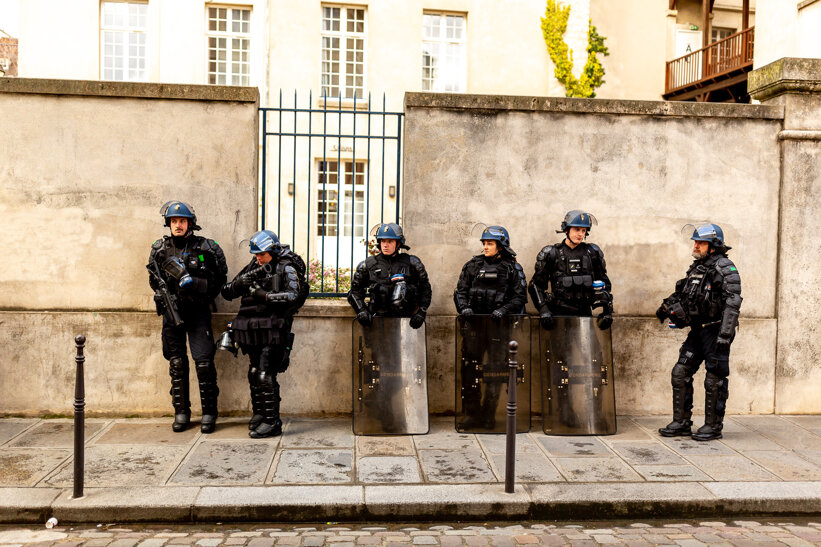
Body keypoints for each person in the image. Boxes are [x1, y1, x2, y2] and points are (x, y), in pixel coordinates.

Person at [656, 223, 742, 441]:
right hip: (697, 331)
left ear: (713, 245)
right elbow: (684, 294)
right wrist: (666, 308)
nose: (696, 246)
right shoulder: (697, 267)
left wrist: (725, 334)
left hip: (716, 332)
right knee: (680, 372)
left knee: (714, 380)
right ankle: (682, 422)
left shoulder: (726, 268)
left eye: (700, 242)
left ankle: (713, 427)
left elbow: (733, 302)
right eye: (695, 242)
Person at [147, 201, 227, 433]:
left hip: (198, 312)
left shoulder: (206, 248)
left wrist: (196, 285)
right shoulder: (159, 249)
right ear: (169, 224)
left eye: (182, 221)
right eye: (174, 221)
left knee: (203, 363)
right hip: (172, 312)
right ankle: (182, 412)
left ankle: (209, 413)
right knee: (177, 363)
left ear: (190, 223)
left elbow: (219, 279)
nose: (178, 225)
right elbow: (154, 279)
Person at [221, 230, 306, 438]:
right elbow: (227, 291)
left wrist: (265, 296)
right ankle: (260, 414)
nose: (258, 258)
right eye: (256, 254)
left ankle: (272, 421)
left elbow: (294, 295)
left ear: (273, 251)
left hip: (275, 328)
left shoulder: (286, 266)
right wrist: (240, 283)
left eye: (262, 254)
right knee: (254, 371)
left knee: (265, 373)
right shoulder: (254, 265)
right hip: (253, 329)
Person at [453, 225, 527, 430]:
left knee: (495, 371)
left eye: (490, 243)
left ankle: (488, 415)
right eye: (484, 243)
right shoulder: (472, 265)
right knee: (470, 370)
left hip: (499, 328)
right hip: (474, 327)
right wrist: (464, 308)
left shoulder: (512, 268)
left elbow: (520, 296)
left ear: (501, 246)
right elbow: (460, 291)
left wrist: (504, 310)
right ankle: (471, 414)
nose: (485, 247)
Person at [528, 210, 613, 330]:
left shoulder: (592, 253)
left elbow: (604, 284)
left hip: (585, 314)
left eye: (583, 230)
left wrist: (607, 311)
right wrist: (544, 310)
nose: (580, 234)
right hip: (559, 314)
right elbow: (535, 285)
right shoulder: (551, 253)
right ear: (566, 230)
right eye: (577, 229)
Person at [347, 223, 431, 328]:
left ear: (398, 243)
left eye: (390, 241)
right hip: (376, 322)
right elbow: (354, 292)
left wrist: (421, 312)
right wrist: (361, 310)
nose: (385, 245)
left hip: (406, 323)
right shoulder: (368, 265)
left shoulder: (412, 263)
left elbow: (425, 289)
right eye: (383, 241)